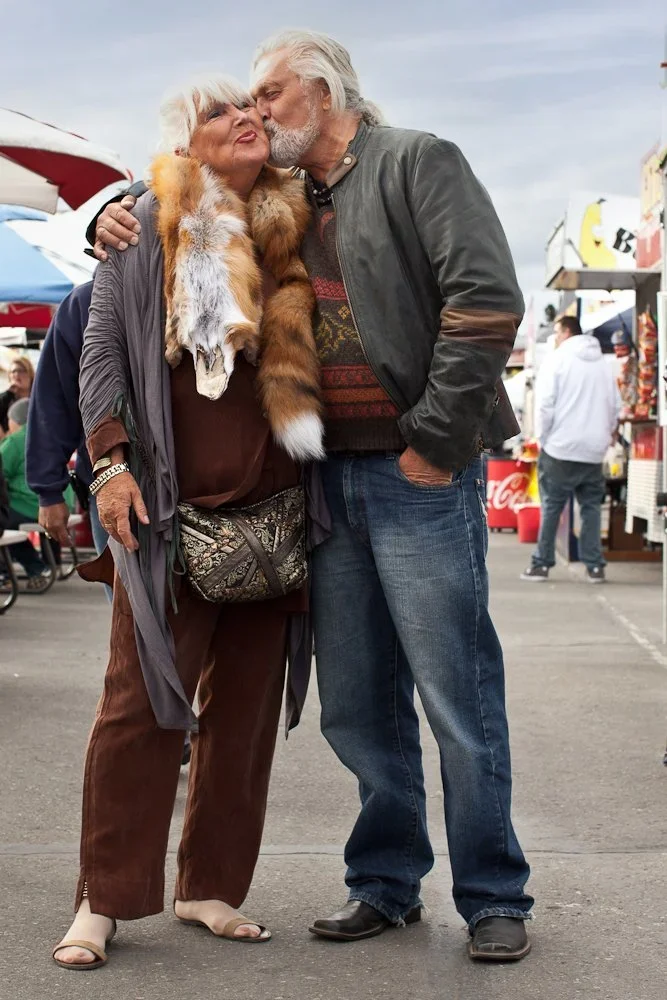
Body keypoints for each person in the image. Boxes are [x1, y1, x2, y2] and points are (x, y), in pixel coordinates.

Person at [92, 31, 533, 961]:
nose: (254, 110)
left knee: (454, 690)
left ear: (324, 91)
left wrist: (432, 444)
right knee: (357, 704)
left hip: (415, 474)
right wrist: (106, 212)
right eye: (239, 100)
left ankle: (494, 892)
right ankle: (385, 881)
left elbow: (486, 301)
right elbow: (165, 218)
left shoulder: (416, 160)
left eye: (268, 92)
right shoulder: (276, 198)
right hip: (322, 485)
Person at [52, 72, 325, 971]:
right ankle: (104, 897)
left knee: (242, 718)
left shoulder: (299, 221)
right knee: (139, 706)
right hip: (168, 513)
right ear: (182, 140)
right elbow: (96, 349)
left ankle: (209, 885)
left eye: (250, 107)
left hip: (276, 508)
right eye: (218, 112)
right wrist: (110, 464)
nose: (244, 118)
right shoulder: (142, 224)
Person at [521, 316, 620, 584]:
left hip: (561, 447)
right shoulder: (602, 364)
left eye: (556, 332)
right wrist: (606, 436)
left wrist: (543, 437)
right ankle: (595, 567)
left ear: (566, 332)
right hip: (593, 449)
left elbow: (545, 405)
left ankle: (542, 564)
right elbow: (615, 405)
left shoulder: (557, 360)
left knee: (553, 506)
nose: (555, 337)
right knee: (590, 508)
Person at [25, 283, 109, 561]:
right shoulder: (85, 302)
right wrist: (49, 492)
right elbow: (53, 404)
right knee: (125, 599)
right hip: (107, 481)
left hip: (202, 489)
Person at [0, 398, 73, 591]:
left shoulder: (15, 441)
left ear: (16, 420)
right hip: (61, 501)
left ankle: (25, 570)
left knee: (4, 523)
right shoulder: (50, 435)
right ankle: (42, 566)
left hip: (33, 503)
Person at [0, 356, 34, 440]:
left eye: (21, 371)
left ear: (30, 374)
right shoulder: (5, 399)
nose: (16, 374)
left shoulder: (38, 397)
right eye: (13, 371)